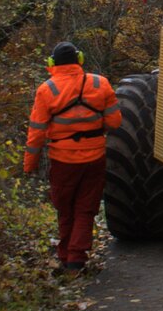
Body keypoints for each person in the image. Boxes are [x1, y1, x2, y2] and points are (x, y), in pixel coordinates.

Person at [23, 41, 122, 275]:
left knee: (65, 209)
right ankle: (76, 260)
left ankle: (66, 256)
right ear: (79, 59)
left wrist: (30, 165)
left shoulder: (47, 90)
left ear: (52, 63)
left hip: (62, 161)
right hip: (95, 158)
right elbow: (115, 122)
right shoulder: (100, 83)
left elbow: (36, 133)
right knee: (86, 209)